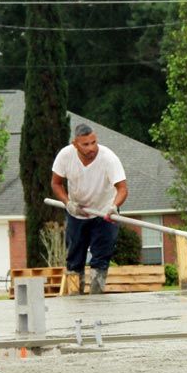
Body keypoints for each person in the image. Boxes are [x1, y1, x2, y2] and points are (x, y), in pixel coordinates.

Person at [51, 124, 128, 295]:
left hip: (104, 213)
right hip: (77, 212)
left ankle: (96, 298)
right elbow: (56, 183)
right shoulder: (65, 156)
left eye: (93, 142)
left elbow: (122, 189)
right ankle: (74, 297)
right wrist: (67, 202)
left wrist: (114, 207)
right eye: (85, 144)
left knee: (101, 258)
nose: (91, 148)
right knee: (74, 258)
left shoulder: (108, 158)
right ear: (75, 144)